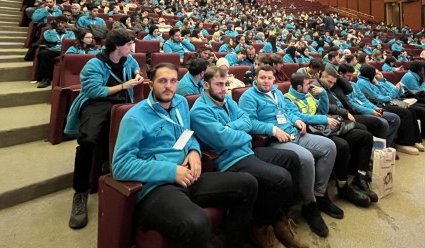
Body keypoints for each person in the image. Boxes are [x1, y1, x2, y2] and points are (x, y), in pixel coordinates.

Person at [112, 63, 258, 247]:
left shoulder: (180, 103)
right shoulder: (134, 117)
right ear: (151, 85)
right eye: (162, 81)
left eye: (173, 81)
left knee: (248, 183)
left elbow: (187, 135)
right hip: (157, 188)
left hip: (189, 177)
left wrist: (194, 151)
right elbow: (120, 166)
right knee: (197, 222)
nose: (169, 86)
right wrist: (172, 171)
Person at [190, 67, 307, 248]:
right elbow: (223, 140)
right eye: (218, 84)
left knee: (292, 159)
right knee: (281, 179)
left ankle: (279, 219)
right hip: (229, 160)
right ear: (206, 85)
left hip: (247, 150)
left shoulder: (227, 99)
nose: (223, 89)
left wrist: (231, 128)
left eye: (225, 84)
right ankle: (260, 226)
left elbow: (247, 121)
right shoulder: (199, 111)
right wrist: (244, 135)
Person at [239, 64, 341, 238]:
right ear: (256, 78)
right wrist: (272, 129)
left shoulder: (277, 92)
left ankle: (320, 194)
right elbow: (249, 122)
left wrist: (296, 121)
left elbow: (288, 113)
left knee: (329, 147)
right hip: (275, 140)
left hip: (294, 133)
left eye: (269, 78)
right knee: (306, 157)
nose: (266, 81)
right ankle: (310, 204)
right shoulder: (248, 97)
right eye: (262, 77)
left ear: (274, 79)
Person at [65, 30, 144, 229]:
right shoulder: (94, 64)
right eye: (129, 44)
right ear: (117, 46)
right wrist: (124, 85)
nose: (132, 48)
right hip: (96, 103)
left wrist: (136, 74)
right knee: (88, 140)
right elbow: (94, 91)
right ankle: (80, 192)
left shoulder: (127, 58)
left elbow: (135, 65)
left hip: (120, 103)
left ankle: (115, 166)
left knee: (138, 132)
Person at [286, 70, 377, 208]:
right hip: (313, 131)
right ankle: (343, 186)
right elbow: (300, 117)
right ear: (299, 87)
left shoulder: (308, 94)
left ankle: (360, 177)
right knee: (342, 146)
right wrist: (324, 119)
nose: (310, 86)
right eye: (307, 84)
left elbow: (323, 110)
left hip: (326, 126)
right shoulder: (288, 99)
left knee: (366, 137)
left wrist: (323, 94)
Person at [36, 17, 75, 88]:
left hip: (66, 50)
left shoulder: (70, 33)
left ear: (66, 24)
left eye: (62, 23)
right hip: (53, 50)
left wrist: (62, 42)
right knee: (43, 54)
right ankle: (45, 78)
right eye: (58, 22)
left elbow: (71, 41)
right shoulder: (48, 32)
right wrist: (54, 32)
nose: (60, 24)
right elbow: (50, 39)